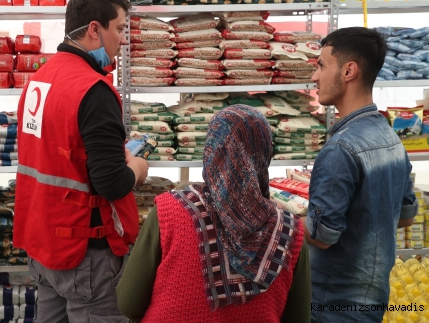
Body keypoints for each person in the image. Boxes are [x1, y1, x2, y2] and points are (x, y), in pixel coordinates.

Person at [14, 0, 149, 323]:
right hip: (86, 253)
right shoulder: (94, 90)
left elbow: (56, 155)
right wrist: (136, 169)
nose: (123, 39)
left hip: (45, 244)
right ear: (94, 29)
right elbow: (111, 183)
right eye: (119, 29)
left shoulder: (39, 80)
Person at [117, 105, 311, 323]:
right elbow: (299, 317)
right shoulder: (290, 231)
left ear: (211, 150)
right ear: (265, 153)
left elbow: (128, 303)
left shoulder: (170, 211)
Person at [307, 27, 417, 322]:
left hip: (332, 305)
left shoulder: (341, 149)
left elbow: (322, 236)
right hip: (373, 302)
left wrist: (281, 217)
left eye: (321, 65)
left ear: (348, 71)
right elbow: (406, 217)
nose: (315, 77)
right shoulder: (390, 137)